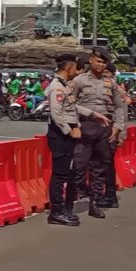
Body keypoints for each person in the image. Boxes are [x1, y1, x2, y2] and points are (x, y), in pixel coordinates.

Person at [67, 51, 126, 218]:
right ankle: (69, 203)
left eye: (104, 63)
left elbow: (119, 106)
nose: (101, 65)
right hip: (85, 126)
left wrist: (119, 127)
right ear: (91, 61)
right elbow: (70, 103)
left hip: (105, 127)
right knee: (79, 167)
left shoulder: (111, 83)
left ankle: (95, 202)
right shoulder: (79, 81)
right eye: (98, 61)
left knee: (100, 167)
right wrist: (85, 117)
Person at [46, 54, 83, 226]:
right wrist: (70, 131)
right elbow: (56, 114)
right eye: (75, 67)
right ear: (69, 67)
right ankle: (57, 211)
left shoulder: (64, 86)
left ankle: (61, 209)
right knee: (59, 174)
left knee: (64, 173)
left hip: (65, 134)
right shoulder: (57, 87)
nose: (77, 70)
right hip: (60, 135)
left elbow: (72, 107)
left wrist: (93, 114)